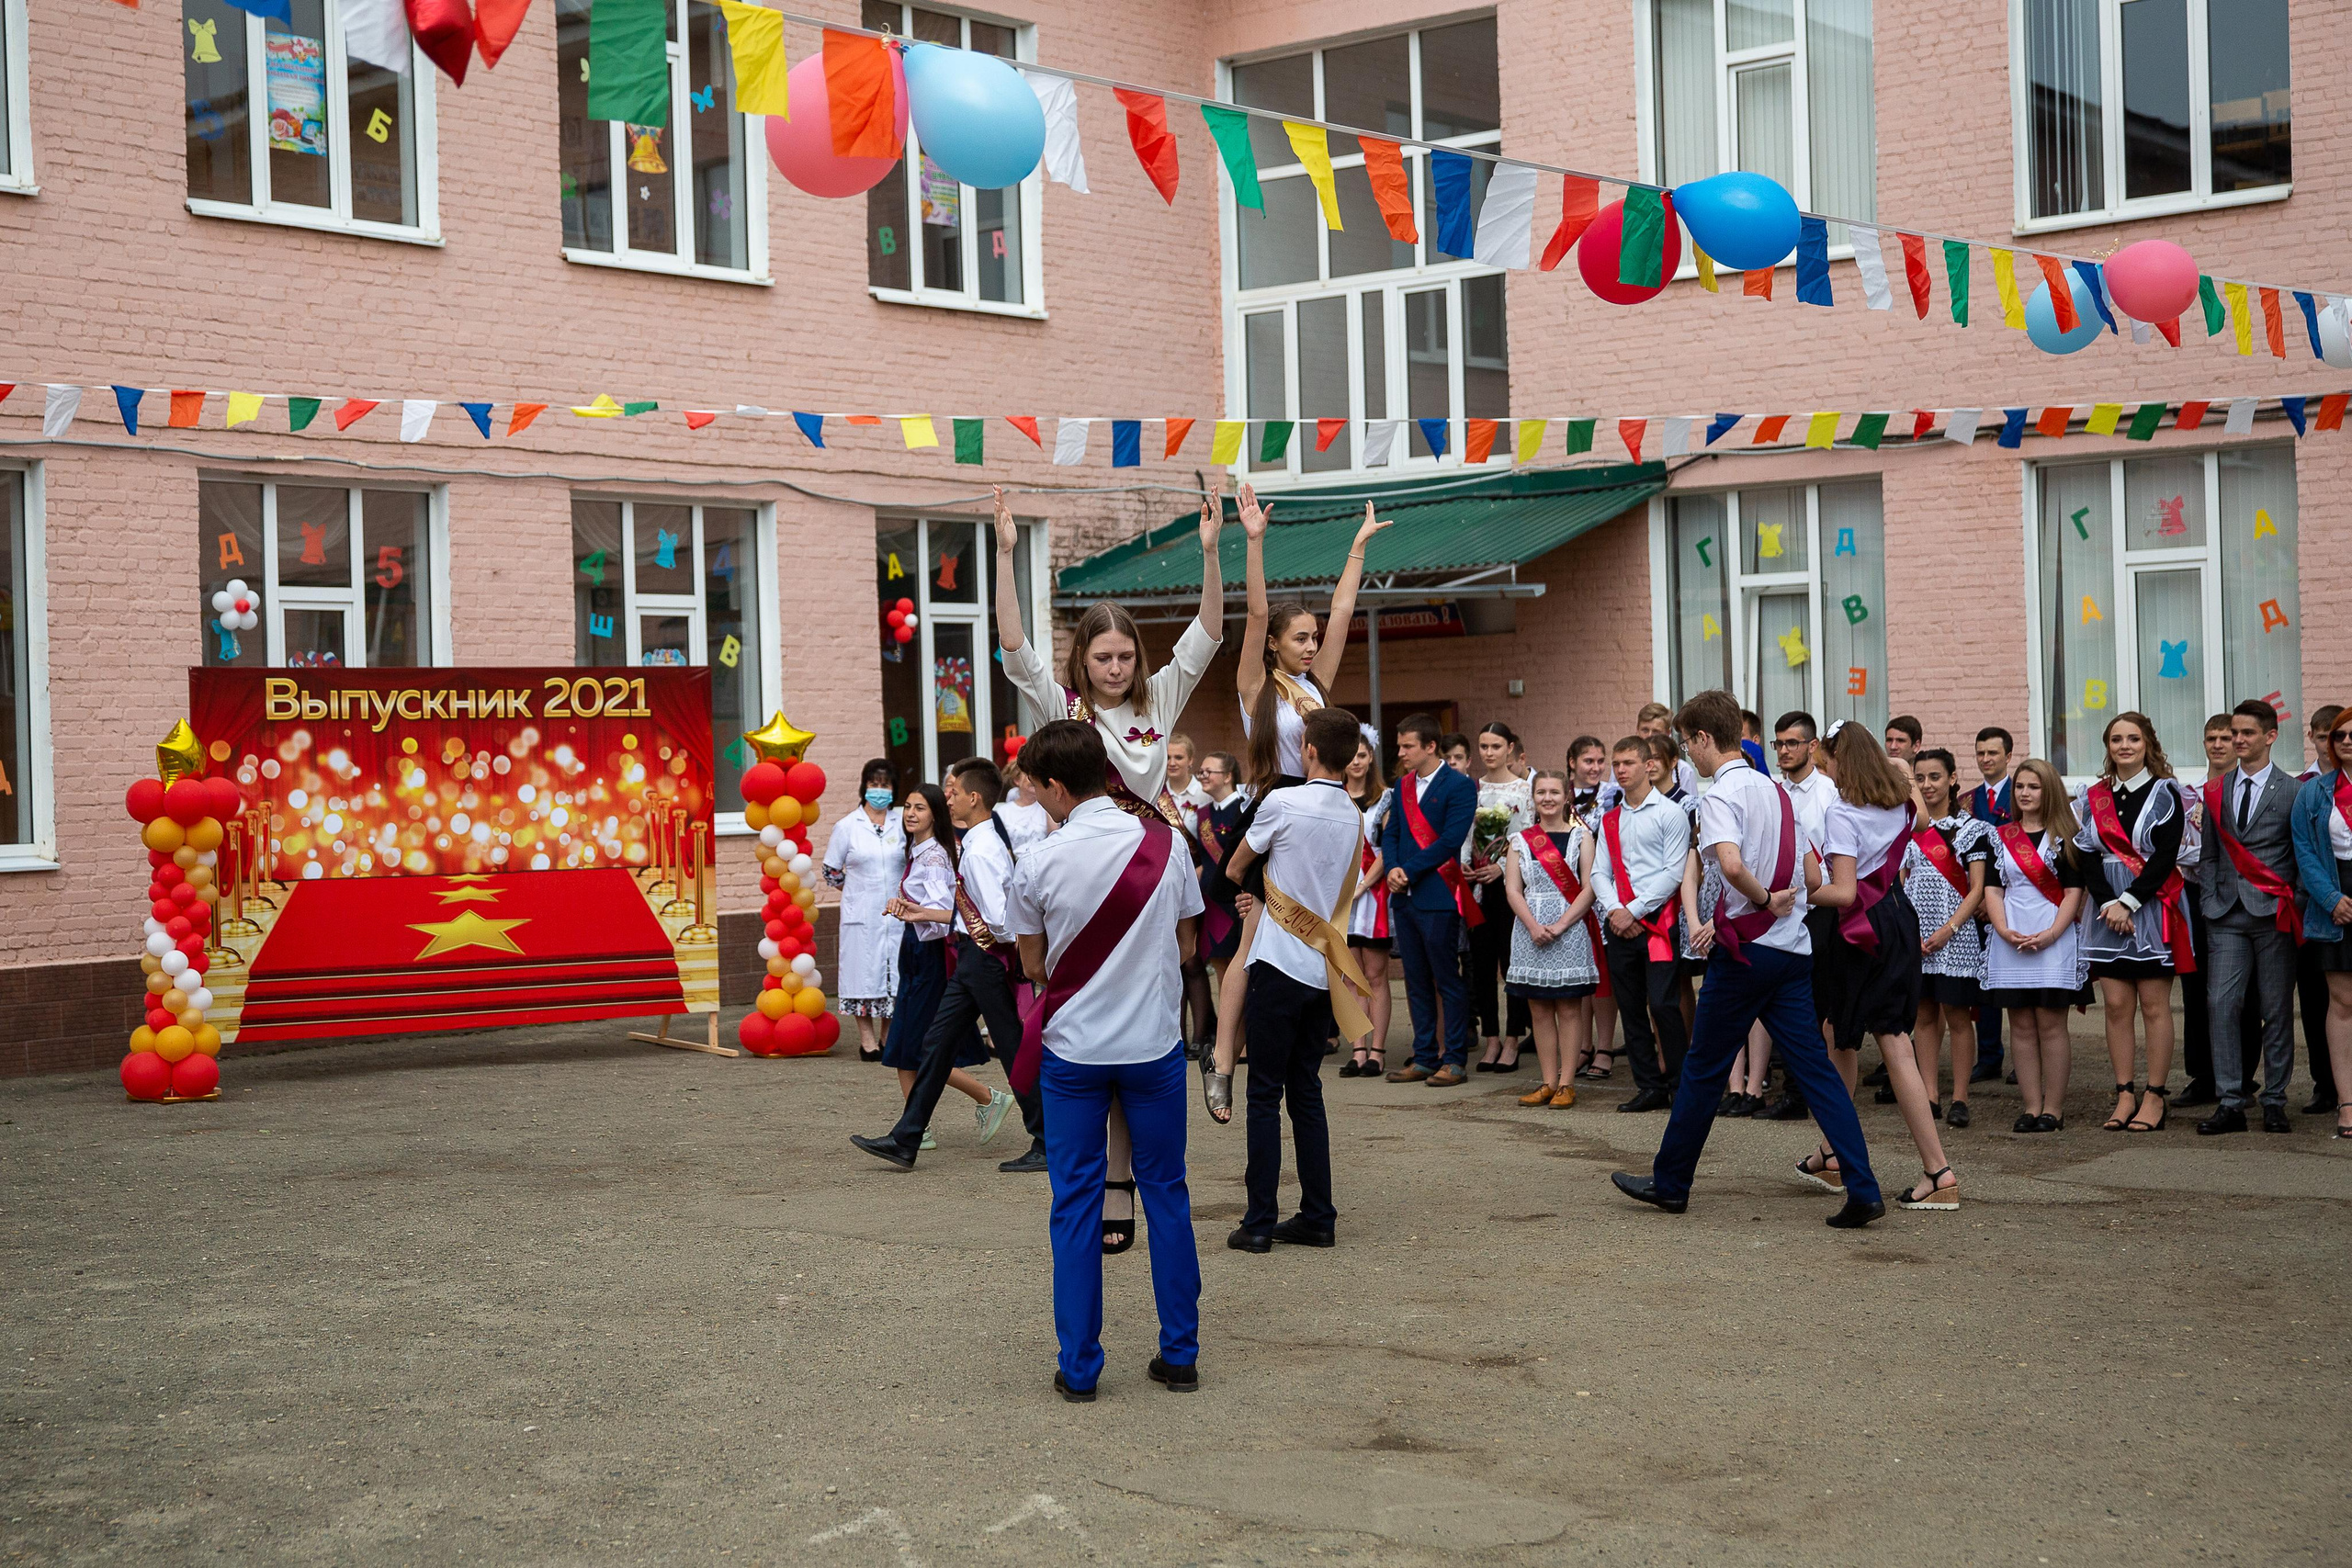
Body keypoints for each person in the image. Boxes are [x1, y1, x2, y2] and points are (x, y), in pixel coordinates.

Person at [997, 482, 1224, 1239]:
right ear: (1083, 659)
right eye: (1104, 654)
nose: (1118, 665)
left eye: (1127, 653)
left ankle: (1123, 1181)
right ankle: (1099, 1171)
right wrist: (1004, 557)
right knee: (1096, 1031)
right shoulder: (1063, 708)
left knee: (1141, 1031)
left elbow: (1209, 632)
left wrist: (1214, 551)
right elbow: (1012, 647)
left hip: (1150, 869)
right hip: (1086, 877)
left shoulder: (1160, 700)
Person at [1611, 690, 1883, 1228]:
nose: (1688, 753)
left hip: (1746, 952)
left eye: (1688, 743)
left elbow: (1731, 865)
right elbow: (1811, 876)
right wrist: (1779, 901)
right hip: (1790, 950)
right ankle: (1863, 1187)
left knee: (1702, 1069)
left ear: (1703, 739)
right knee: (1817, 1073)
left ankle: (1671, 1183)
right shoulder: (1779, 792)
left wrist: (1759, 899)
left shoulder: (1718, 795)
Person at [1004, 721, 1204, 1401]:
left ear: (1059, 787)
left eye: (1036, 786)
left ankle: (1081, 1367)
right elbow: (1186, 943)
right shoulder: (1168, 844)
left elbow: (1032, 964)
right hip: (1154, 1047)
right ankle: (1180, 1354)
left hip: (1074, 1053)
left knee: (1077, 1203)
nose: (1035, 798)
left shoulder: (1038, 861)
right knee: (1167, 1194)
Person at [1216, 488, 1388, 1077]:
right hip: (1274, 804)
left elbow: (1343, 613)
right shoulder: (1255, 687)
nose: (1312, 646)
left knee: (1316, 931)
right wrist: (1254, 542)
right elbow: (1257, 613)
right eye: (1300, 639)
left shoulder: (1317, 686)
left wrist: (1357, 551)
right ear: (1274, 645)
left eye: (1314, 639)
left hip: (1322, 809)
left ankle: (1307, 1037)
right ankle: (1223, 1056)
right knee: (1252, 939)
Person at [1207, 707, 1373, 1251]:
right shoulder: (1353, 813)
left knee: (1263, 1095)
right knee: (1307, 1093)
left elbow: (1234, 868)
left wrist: (1257, 888)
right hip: (1322, 968)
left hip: (1277, 963)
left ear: (1307, 749)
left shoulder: (1281, 802)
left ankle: (1258, 1223)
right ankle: (1318, 1216)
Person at [850, 757, 1046, 1173]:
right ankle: (907, 1138)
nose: (948, 799)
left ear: (974, 798)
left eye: (953, 792)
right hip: (975, 958)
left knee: (1010, 1049)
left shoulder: (981, 851)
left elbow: (999, 919)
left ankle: (1047, 1139)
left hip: (985, 958)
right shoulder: (977, 841)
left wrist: (997, 952)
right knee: (934, 1045)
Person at [1807, 722, 1955, 1211]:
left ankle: (1836, 1157)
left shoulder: (1841, 812)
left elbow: (1844, 892)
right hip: (1897, 921)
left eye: (1827, 758)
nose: (1823, 766)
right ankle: (1937, 1170)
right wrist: (1898, 770)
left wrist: (1795, 891)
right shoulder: (1901, 803)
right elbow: (1925, 826)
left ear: (1838, 761)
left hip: (1856, 933)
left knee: (1841, 1039)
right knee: (1895, 1044)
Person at [877, 784, 1015, 1147]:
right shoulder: (919, 850)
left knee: (920, 1046)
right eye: (907, 806)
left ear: (936, 814)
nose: (910, 813)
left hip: (937, 954)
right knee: (914, 1047)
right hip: (918, 949)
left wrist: (918, 912)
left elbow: (950, 915)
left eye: (920, 808)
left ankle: (986, 1100)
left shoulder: (938, 856)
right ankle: (914, 1130)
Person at [2075, 713, 2194, 1134]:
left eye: (2133, 738)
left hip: (2150, 907)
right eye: (2116, 739)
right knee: (2117, 1007)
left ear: (2148, 744)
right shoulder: (2094, 796)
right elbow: (2086, 853)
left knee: (2156, 1006)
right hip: (2108, 911)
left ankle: (2155, 1095)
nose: (2124, 746)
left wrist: (2129, 902)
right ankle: (2124, 1093)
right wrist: (2109, 903)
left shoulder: (2166, 792)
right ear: (2107, 746)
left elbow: (2164, 857)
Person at [2196, 699, 2305, 1137]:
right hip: (2224, 913)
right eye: (2233, 733)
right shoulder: (2216, 789)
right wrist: (2208, 899)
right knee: (2221, 1004)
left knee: (2276, 1009)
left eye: (2247, 734)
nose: (2237, 740)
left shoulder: (2293, 790)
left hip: (2273, 913)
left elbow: (2301, 855)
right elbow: (2208, 854)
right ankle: (2230, 1101)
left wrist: (2292, 900)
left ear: (2271, 736)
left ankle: (2275, 1100)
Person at [1982, 759, 2092, 1134]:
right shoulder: (2000, 835)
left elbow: (2075, 892)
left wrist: (2052, 934)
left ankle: (2054, 1109)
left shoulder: (2067, 836)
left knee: (2050, 1025)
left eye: (2034, 787)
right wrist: (2002, 928)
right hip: (2010, 936)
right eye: (2020, 787)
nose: (2025, 793)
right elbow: (1993, 888)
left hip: (2052, 937)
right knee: (2021, 1027)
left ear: (2049, 791)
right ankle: (2030, 1106)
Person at [1590, 735, 1691, 1112]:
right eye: (1616, 764)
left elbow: (1673, 873)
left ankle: (1682, 1085)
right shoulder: (1611, 817)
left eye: (1627, 763)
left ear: (1649, 765)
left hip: (1658, 926)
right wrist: (1617, 910)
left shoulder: (1670, 813)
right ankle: (1648, 1085)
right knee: (1630, 1007)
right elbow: (1600, 873)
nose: (1620, 770)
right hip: (1620, 925)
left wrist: (1631, 911)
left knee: (1664, 1005)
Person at [1380, 713, 1478, 1085]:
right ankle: (1423, 1057)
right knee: (1415, 980)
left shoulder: (1459, 786)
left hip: (1437, 894)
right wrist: (1392, 868)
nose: (1401, 752)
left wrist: (1409, 870)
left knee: (1446, 980)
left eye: (1408, 746)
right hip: (1404, 896)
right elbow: (1391, 834)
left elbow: (1450, 841)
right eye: (1401, 745)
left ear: (1431, 746)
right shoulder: (1402, 785)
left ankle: (1453, 1058)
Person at [1901, 748, 1993, 1128]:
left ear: (1953, 779)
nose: (1927, 785)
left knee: (1957, 1016)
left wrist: (1948, 930)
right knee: (1922, 1016)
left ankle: (1959, 1096)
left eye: (1935, 777)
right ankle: (1928, 1094)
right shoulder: (1906, 828)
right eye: (1919, 779)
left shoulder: (1971, 829)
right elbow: (1902, 882)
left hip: (1957, 937)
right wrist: (1910, 932)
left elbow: (1976, 890)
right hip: (1917, 936)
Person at [1505, 769, 1600, 1108]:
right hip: (1529, 929)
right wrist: (1532, 925)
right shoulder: (1520, 840)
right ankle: (1547, 1081)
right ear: (1533, 797)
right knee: (1539, 1008)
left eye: (1554, 792)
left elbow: (1590, 887)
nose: (1547, 798)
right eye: (1541, 792)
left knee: (1570, 1008)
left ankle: (1567, 1083)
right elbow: (1513, 889)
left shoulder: (1581, 837)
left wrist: (1560, 925)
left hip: (1569, 927)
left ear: (1566, 796)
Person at [1758, 711, 1836, 1122]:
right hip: (1779, 906)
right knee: (1787, 1003)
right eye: (1779, 744)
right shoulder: (1771, 791)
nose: (1784, 751)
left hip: (1819, 908)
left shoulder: (1828, 793)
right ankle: (1792, 1090)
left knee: (1813, 1005)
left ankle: (1802, 1093)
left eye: (1792, 743)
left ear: (1812, 746)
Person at [2178, 713, 2255, 1108]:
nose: (2219, 744)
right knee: (2196, 988)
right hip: (2193, 895)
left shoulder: (2247, 791)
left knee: (2244, 992)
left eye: (2227, 737)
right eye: (2212, 738)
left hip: (2242, 895)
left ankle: (2244, 1078)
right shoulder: (2188, 794)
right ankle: (2202, 1075)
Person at [2289, 705, 2352, 1138]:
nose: (2346, 741)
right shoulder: (2314, 793)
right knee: (2342, 1004)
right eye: (2340, 736)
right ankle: (2347, 1104)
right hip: (2334, 899)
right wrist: (2330, 898)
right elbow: (2304, 851)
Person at [823, 758, 906, 1062]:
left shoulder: (903, 823)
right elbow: (831, 871)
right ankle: (867, 1041)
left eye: (885, 785)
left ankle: (887, 1037)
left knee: (893, 975)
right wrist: (856, 893)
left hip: (897, 913)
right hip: (861, 912)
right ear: (864, 787)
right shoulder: (847, 826)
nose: (879, 790)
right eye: (874, 784)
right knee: (862, 975)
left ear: (894, 789)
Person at [1466, 721, 1534, 1072]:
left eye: (1495, 746)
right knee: (1480, 966)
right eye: (1483, 746)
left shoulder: (1524, 790)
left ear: (1510, 748)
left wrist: (1503, 869)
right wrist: (1466, 864)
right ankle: (1490, 1038)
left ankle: (1512, 1039)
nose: (1489, 753)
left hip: (1508, 886)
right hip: (1476, 884)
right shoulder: (1472, 788)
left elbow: (1525, 840)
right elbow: (1466, 833)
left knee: (1512, 965)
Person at [1966, 726, 2018, 1087]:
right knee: (1982, 983)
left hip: (2015, 899)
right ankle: (1988, 1056)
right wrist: (1980, 898)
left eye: (1993, 753)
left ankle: (2025, 1059)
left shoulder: (2025, 793)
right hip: (1976, 902)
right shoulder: (1967, 801)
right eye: (1981, 753)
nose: (1986, 759)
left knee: (2017, 983)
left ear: (2008, 757)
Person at [1566, 736, 1619, 1082]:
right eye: (1589, 761)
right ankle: (1582, 1044)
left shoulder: (1613, 796)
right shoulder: (1559, 794)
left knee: (1602, 974)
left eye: (1601, 761)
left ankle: (1604, 1046)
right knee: (1577, 973)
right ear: (1572, 762)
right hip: (1566, 895)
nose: (1596, 768)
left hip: (1601, 893)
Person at [1340, 737, 1393, 1079]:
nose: (1356, 762)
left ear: (1371, 756)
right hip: (1341, 896)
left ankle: (1378, 1051)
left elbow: (1388, 849)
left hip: (1373, 895)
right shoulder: (1332, 796)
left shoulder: (1385, 799)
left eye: (1362, 755)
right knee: (1350, 976)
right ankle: (1357, 1050)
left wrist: (1363, 887)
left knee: (1374, 974)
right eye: (1351, 756)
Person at [1634, 702, 1702, 797]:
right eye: (1645, 730)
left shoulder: (1683, 771)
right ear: (1637, 730)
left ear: (1668, 733)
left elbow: (1690, 805)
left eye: (1656, 731)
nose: (1649, 736)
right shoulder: (1625, 765)